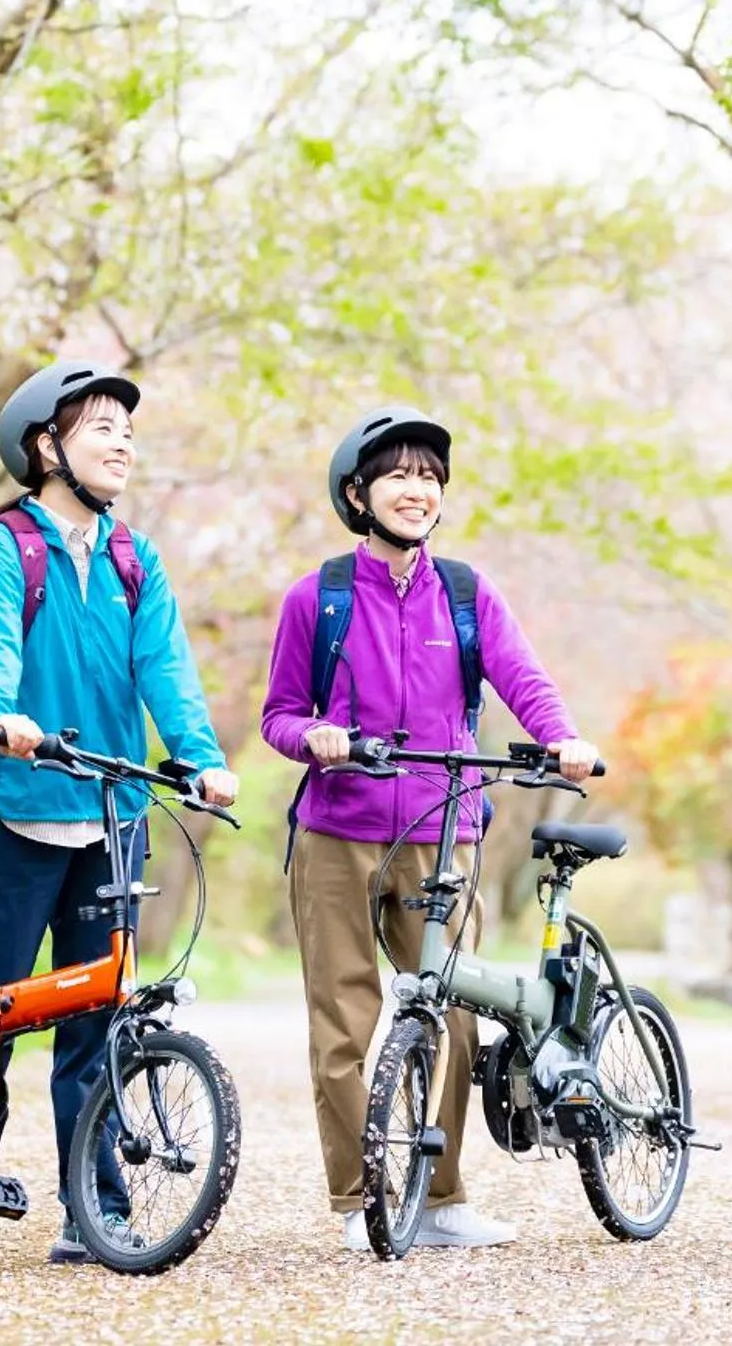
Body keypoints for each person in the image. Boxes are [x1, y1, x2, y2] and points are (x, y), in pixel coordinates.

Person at [0, 360, 239, 1268]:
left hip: (112, 814)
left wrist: (200, 758)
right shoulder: (10, 547)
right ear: (46, 447)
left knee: (100, 1023)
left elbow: (166, 668)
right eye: (101, 428)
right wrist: (0, 719)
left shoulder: (134, 558)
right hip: (15, 810)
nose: (123, 443)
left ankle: (95, 1209)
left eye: (128, 430)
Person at [260, 405, 597, 1252]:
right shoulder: (319, 597)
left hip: (444, 831)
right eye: (399, 476)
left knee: (451, 1012)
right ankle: (359, 1200)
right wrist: (314, 737)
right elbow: (278, 714)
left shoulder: (466, 595)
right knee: (343, 1019)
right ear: (358, 494)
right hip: (337, 832)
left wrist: (561, 740)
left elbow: (523, 678)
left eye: (429, 477)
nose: (417, 490)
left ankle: (442, 1199)